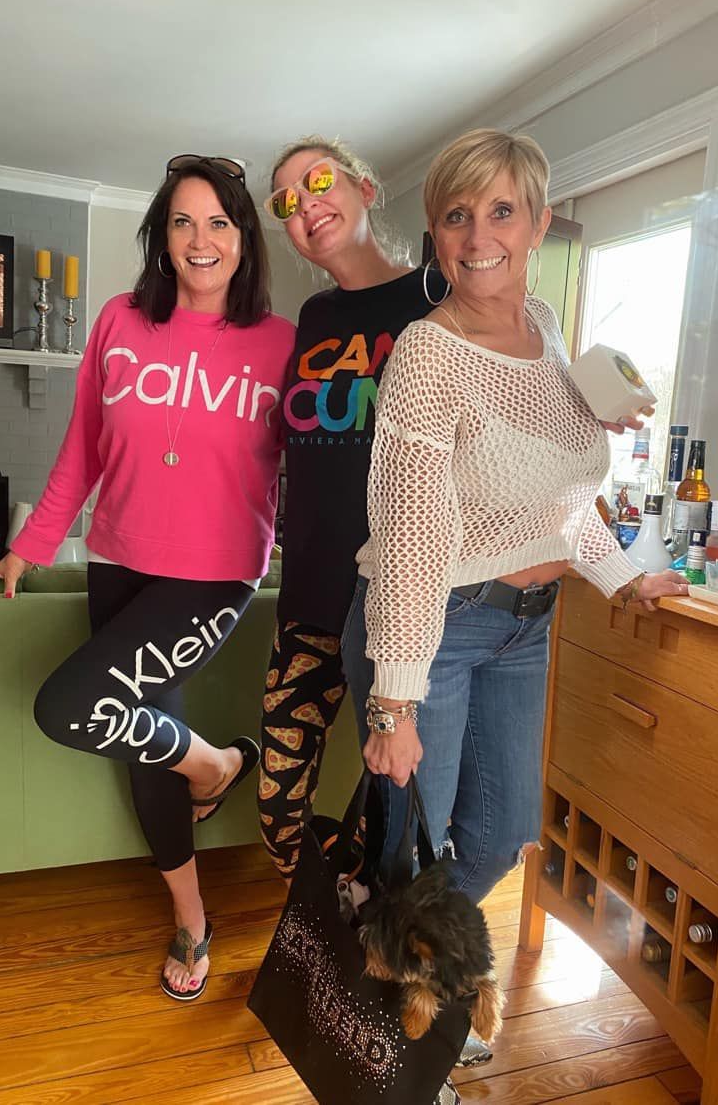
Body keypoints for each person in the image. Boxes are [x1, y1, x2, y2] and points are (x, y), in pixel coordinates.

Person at [0, 156, 295, 1001]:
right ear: (161, 237)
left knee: (71, 706)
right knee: (147, 740)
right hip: (118, 556)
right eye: (183, 222)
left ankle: (218, 765)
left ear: (243, 238)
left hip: (215, 573)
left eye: (219, 221)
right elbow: (82, 449)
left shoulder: (280, 344)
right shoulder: (119, 320)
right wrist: (30, 546)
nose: (201, 239)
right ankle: (192, 910)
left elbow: (312, 462)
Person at [341, 128, 689, 907]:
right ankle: (403, 1004)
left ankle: (409, 958)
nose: (478, 236)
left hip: (525, 628)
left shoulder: (547, 330)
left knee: (500, 836)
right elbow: (409, 538)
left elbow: (556, 504)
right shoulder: (427, 354)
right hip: (433, 627)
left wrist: (625, 576)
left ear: (537, 222)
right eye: (457, 215)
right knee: (413, 853)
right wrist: (394, 700)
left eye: (501, 211)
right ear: (436, 234)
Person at [257, 138, 444, 880]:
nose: (305, 205)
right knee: (279, 811)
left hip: (392, 602)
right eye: (287, 201)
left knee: (396, 806)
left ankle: (373, 945)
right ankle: (335, 904)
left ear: (367, 187)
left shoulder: (437, 296)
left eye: (319, 181)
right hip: (307, 590)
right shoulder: (312, 314)